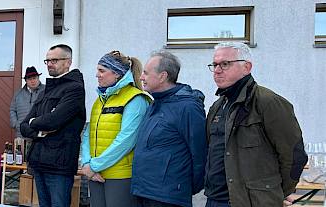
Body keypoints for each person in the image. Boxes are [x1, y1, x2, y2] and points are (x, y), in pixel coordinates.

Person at [204, 42, 306, 207]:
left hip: (253, 202)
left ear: (247, 67)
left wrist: (273, 193)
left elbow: (294, 155)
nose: (217, 70)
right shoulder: (217, 106)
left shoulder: (268, 102)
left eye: (225, 64)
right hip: (215, 200)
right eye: (214, 65)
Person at [131, 50, 206, 207]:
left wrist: (185, 187)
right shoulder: (155, 103)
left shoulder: (187, 107)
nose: (141, 77)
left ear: (162, 76)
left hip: (168, 196)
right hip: (144, 191)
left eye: (145, 73)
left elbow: (199, 153)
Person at [80, 51, 150, 207]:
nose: (97, 75)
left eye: (102, 70)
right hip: (95, 174)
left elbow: (126, 140)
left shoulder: (135, 99)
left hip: (119, 176)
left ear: (117, 74)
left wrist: (94, 166)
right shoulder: (101, 100)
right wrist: (86, 163)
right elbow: (88, 134)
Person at [20, 44, 86, 207]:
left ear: (68, 62)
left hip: (59, 165)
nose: (49, 64)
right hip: (39, 161)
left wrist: (34, 122)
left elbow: (54, 120)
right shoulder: (45, 91)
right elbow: (23, 125)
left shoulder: (75, 89)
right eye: (47, 60)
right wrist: (40, 132)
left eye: (54, 60)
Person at [10, 66, 45, 144]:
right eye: (29, 79)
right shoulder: (18, 94)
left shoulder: (46, 91)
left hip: (41, 135)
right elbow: (12, 110)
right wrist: (16, 124)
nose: (32, 81)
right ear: (26, 80)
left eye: (34, 78)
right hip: (21, 135)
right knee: (21, 155)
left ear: (38, 78)